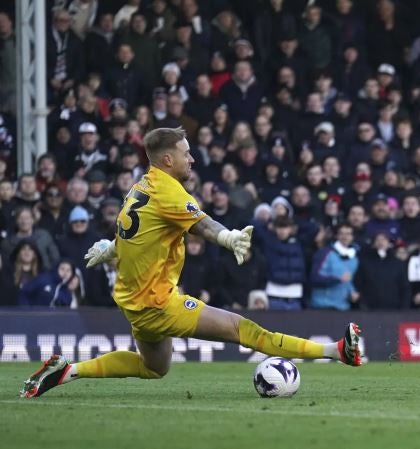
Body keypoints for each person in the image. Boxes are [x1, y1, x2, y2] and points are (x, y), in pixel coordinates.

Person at [21, 127, 362, 398]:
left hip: (134, 303)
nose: (192, 159)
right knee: (244, 330)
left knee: (154, 368)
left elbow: (139, 236)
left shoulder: (141, 186)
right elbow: (203, 224)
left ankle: (69, 371)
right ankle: (336, 351)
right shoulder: (170, 192)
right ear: (167, 159)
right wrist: (227, 237)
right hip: (158, 303)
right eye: (186, 153)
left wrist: (111, 249)